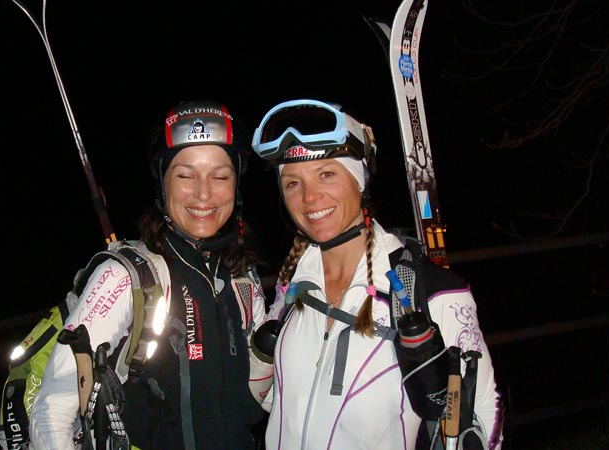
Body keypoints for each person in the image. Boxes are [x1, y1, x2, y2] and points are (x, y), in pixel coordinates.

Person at [250, 99, 505, 449]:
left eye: (326, 174)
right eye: (293, 183)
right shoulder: (293, 283)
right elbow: (274, 398)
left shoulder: (431, 294)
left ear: (359, 181)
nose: (309, 197)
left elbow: (483, 427)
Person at [29, 100, 273, 450]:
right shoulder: (125, 277)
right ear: (163, 183)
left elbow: (258, 397)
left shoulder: (242, 278)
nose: (204, 193)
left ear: (236, 184)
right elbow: (51, 412)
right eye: (185, 175)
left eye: (220, 176)